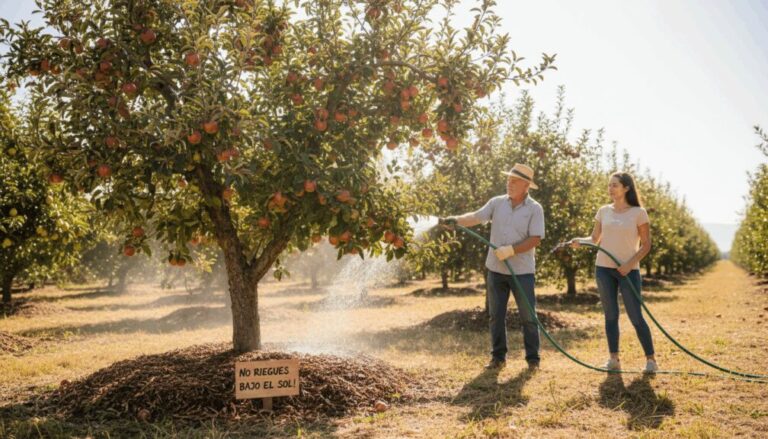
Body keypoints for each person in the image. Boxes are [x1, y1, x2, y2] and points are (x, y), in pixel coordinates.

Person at [441, 163, 545, 370]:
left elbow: (535, 239)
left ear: (526, 185)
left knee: (528, 317)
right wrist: (457, 221)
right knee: (496, 315)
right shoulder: (497, 203)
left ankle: (533, 359)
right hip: (496, 270)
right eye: (508, 180)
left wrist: (511, 250)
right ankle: (498, 357)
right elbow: (476, 217)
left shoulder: (535, 209)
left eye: (515, 181)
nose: (510, 184)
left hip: (522, 272)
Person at [569, 172, 658, 373]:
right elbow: (594, 239)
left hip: (628, 271)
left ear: (626, 188)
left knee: (636, 316)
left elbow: (646, 245)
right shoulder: (603, 211)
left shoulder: (638, 213)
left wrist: (629, 264)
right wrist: (579, 242)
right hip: (603, 270)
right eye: (609, 185)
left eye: (615, 185)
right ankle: (614, 359)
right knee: (610, 315)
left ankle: (651, 360)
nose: (610, 189)